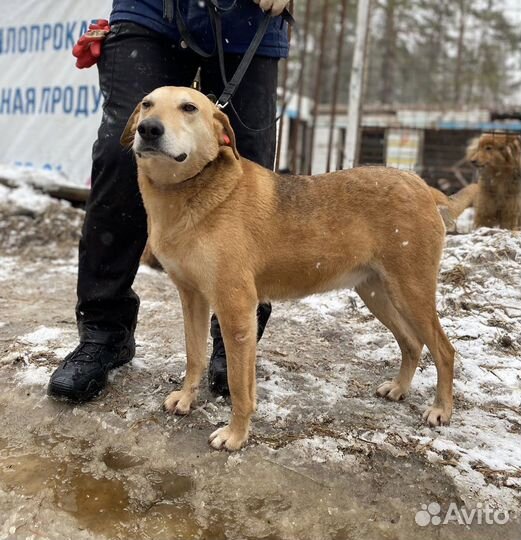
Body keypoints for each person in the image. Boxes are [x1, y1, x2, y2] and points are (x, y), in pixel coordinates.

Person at [47, 0, 290, 402]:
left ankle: (233, 336)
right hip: (150, 11)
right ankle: (105, 332)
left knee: (248, 168)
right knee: (117, 153)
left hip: (248, 18)